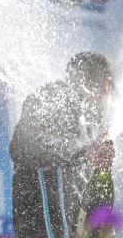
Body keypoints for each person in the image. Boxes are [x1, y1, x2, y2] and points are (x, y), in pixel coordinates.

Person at [10, 51, 117, 238]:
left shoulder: (83, 126)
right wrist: (85, 151)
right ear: (105, 86)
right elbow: (23, 141)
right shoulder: (57, 96)